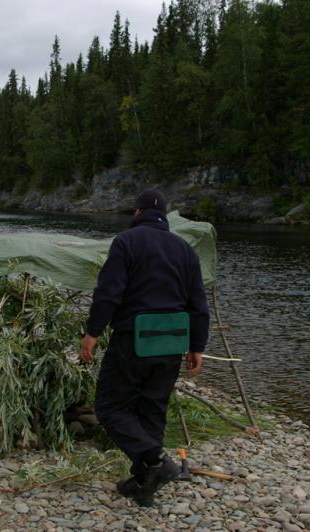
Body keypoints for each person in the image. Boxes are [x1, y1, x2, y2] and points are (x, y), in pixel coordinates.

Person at [79, 188, 210, 507]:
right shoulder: (185, 250)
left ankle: (156, 461)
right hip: (172, 342)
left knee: (109, 407)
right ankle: (144, 485)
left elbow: (109, 292)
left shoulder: (126, 242)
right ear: (164, 217)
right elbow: (198, 304)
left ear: (137, 213)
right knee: (152, 409)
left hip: (134, 339)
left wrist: (92, 333)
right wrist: (197, 346)